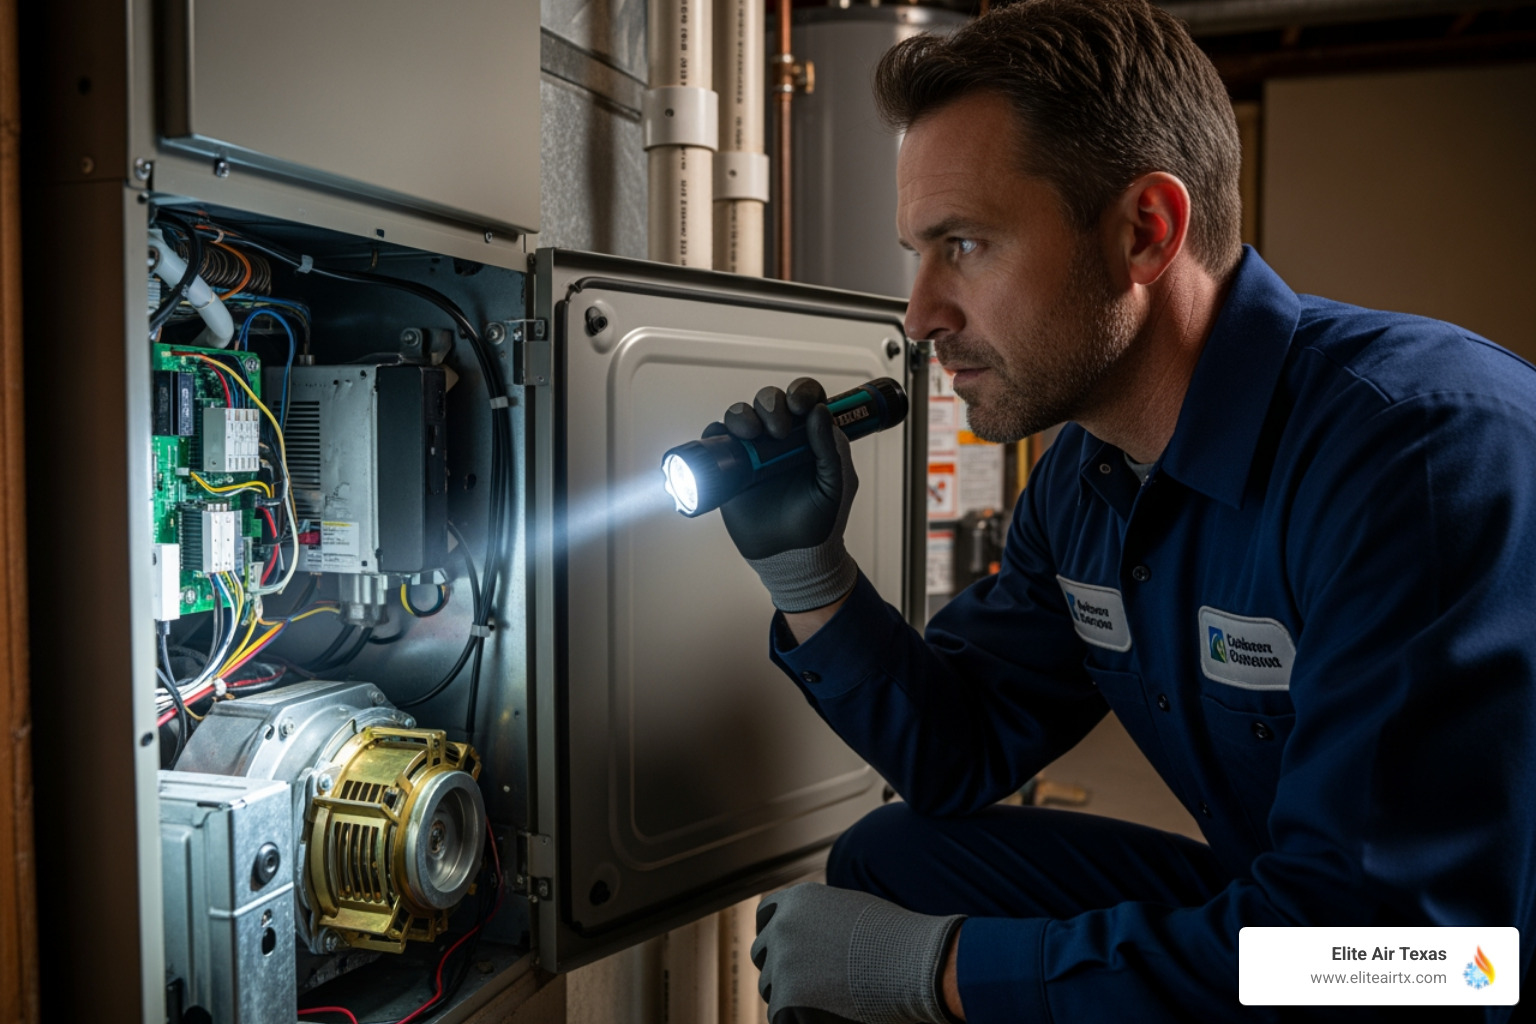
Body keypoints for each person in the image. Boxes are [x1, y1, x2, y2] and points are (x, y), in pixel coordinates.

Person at [702, 1, 1536, 1021]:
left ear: (1146, 231)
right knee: (896, 858)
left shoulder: (1419, 456)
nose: (919, 314)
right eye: (918, 250)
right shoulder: (1087, 475)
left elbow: (1396, 968)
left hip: (1453, 969)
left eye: (963, 244)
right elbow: (958, 748)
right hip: (1312, 919)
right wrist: (808, 572)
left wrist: (944, 974)